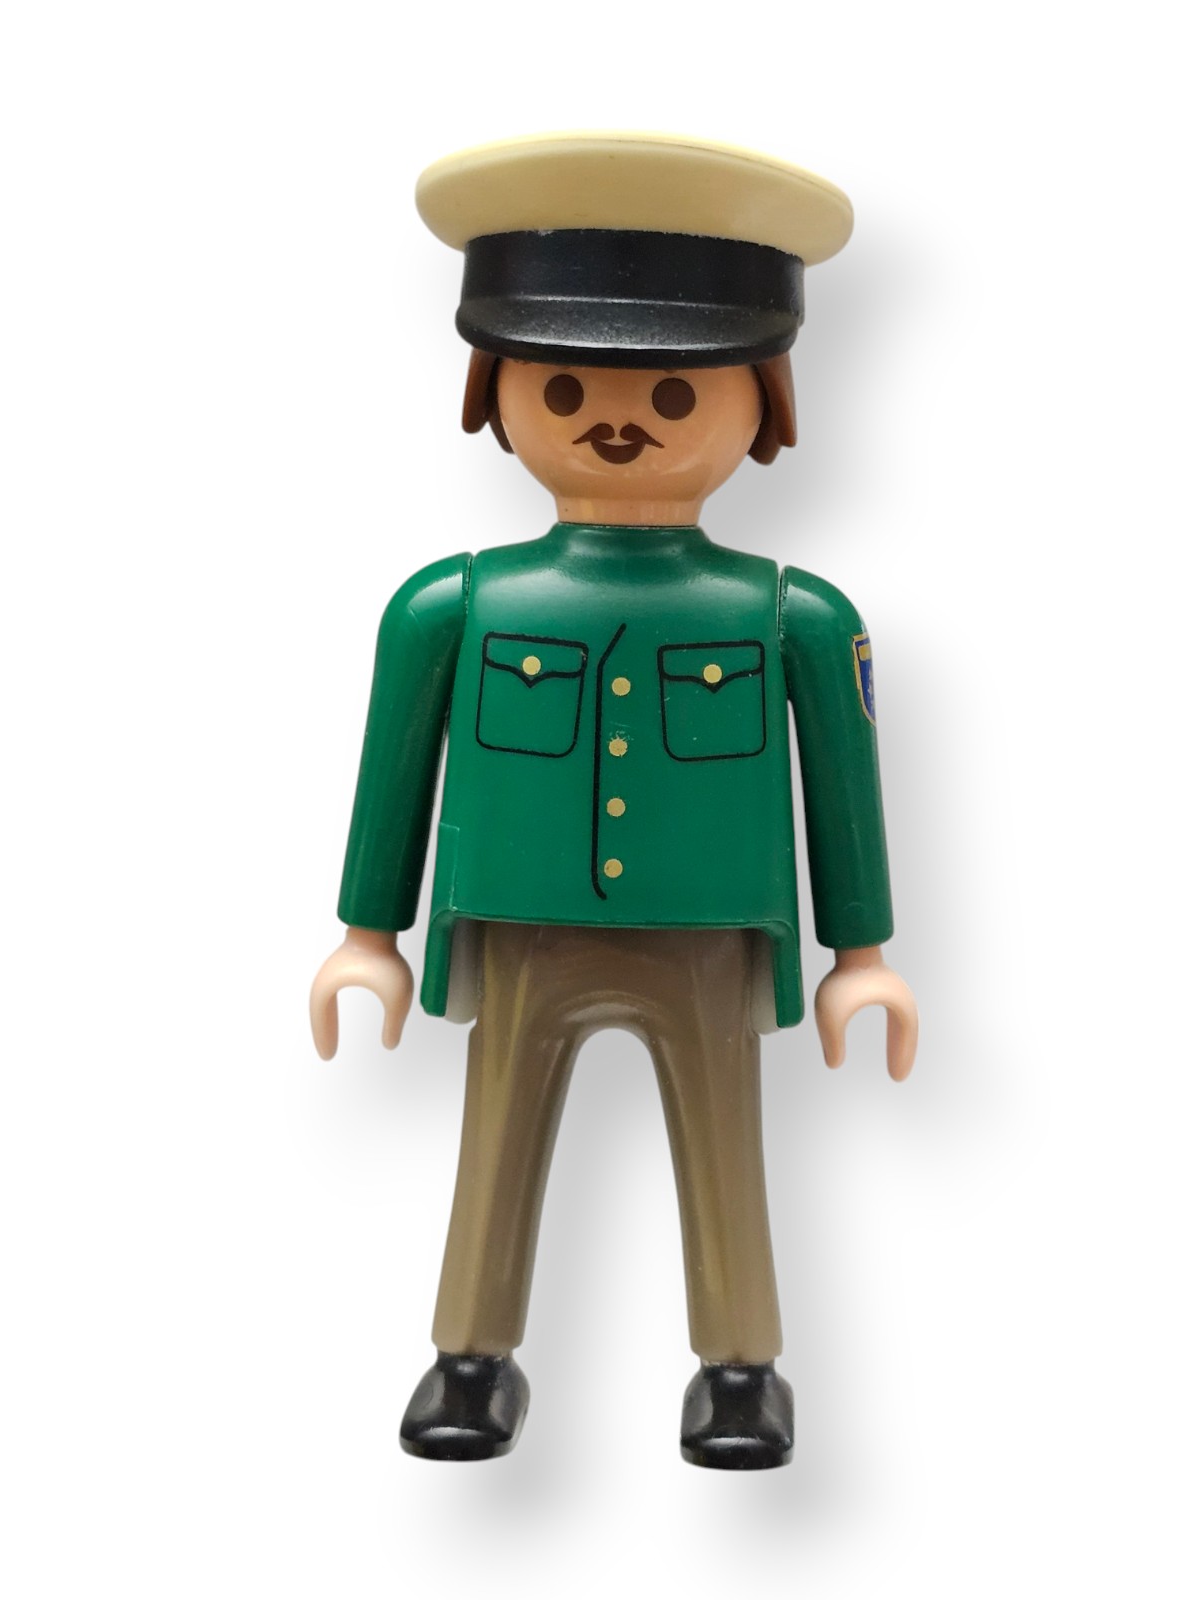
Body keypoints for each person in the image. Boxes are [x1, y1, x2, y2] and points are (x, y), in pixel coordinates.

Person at [309, 132, 918, 1469]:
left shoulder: (794, 615)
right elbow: (392, 771)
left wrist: (860, 954)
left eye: (676, 390)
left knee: (724, 1140)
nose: (618, 420)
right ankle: (471, 1356)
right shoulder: (452, 605)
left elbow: (845, 781)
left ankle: (741, 1368)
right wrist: (369, 932)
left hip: (710, 933)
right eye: (568, 383)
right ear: (494, 392)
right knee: (496, 1134)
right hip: (519, 922)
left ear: (766, 402)